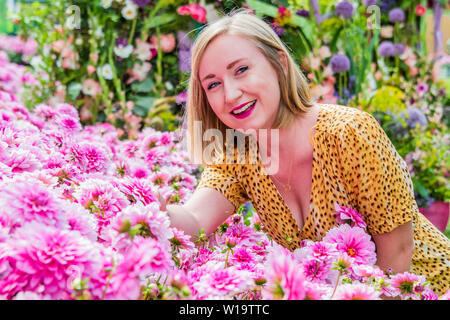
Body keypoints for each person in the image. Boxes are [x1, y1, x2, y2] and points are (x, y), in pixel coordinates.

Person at [161, 9, 450, 295]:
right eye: (213, 84)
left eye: (241, 70)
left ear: (280, 65)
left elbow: (397, 252)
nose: (231, 93)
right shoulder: (239, 156)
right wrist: (149, 210)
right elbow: (195, 221)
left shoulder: (349, 133)